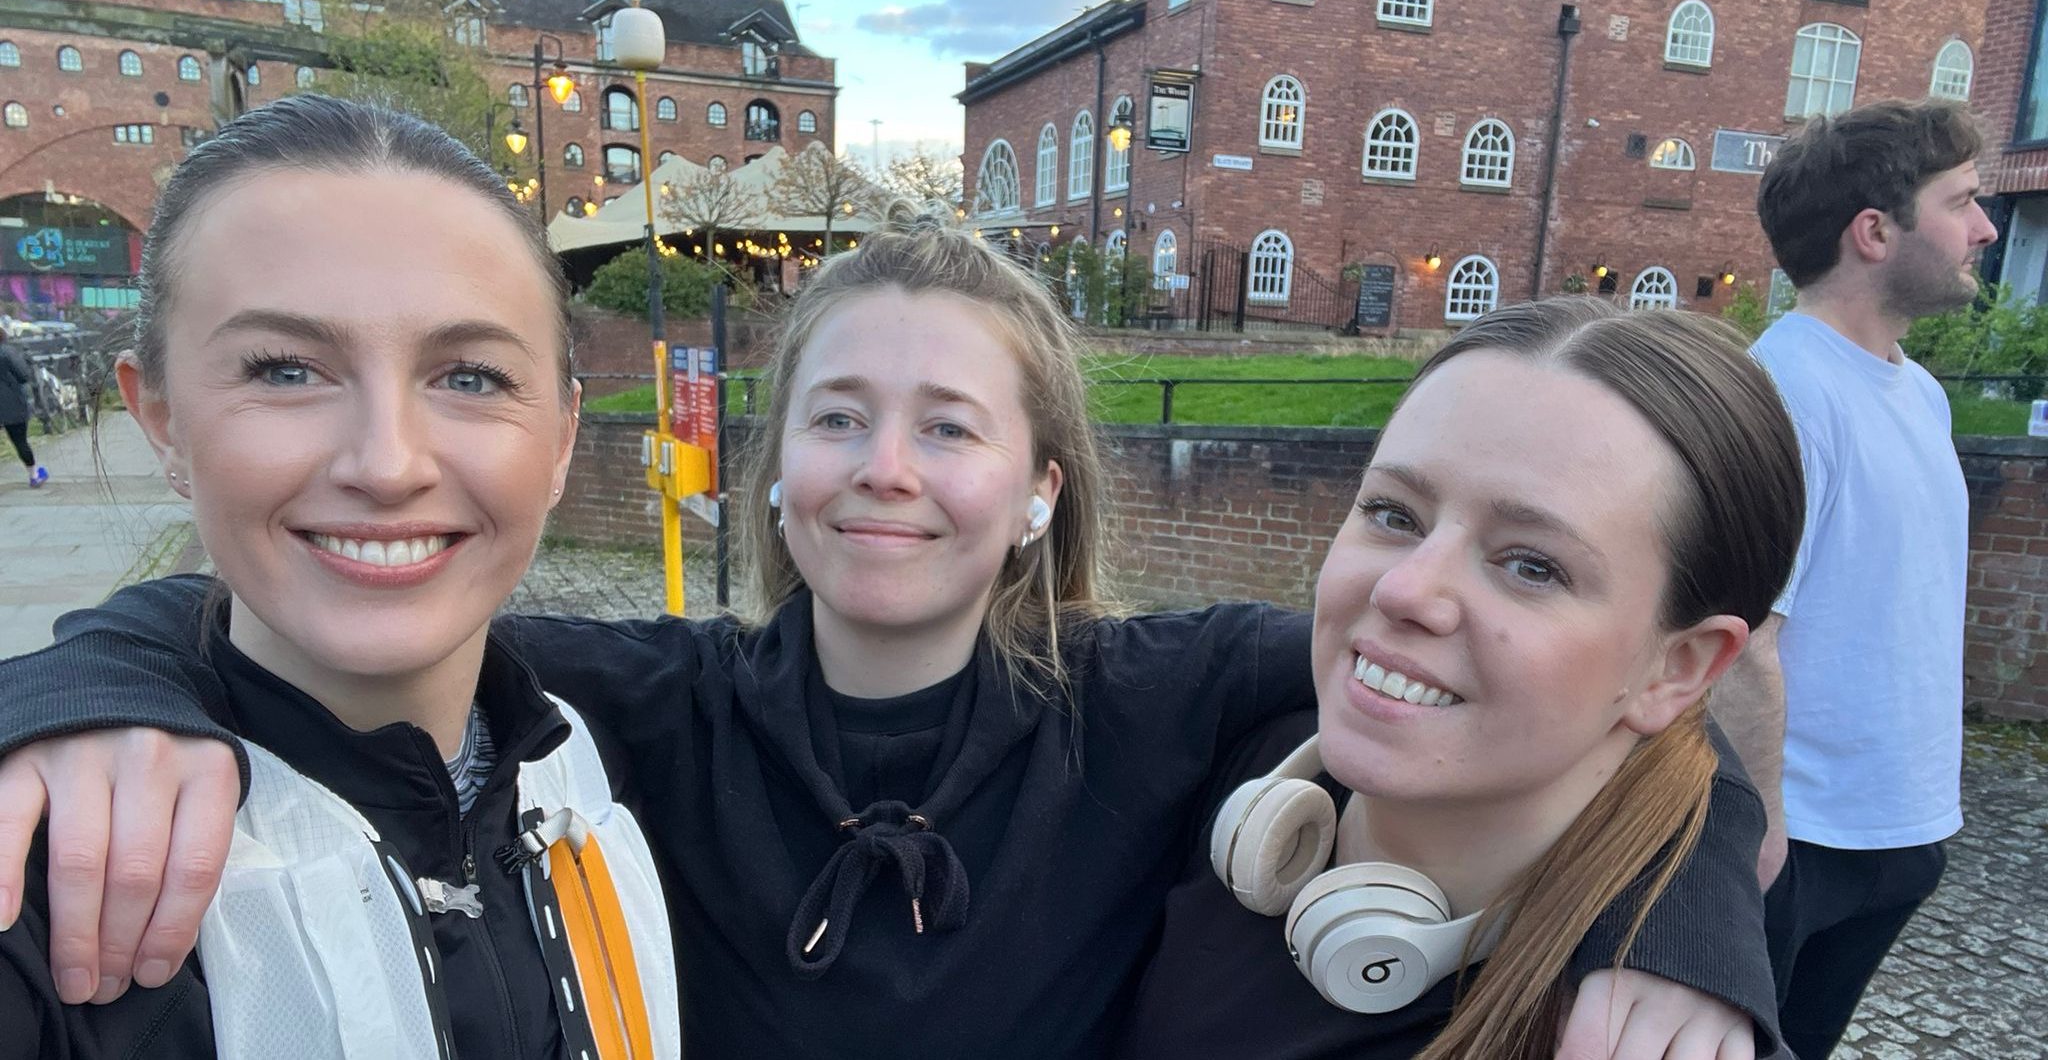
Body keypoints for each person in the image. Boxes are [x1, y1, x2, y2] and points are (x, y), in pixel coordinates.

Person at [1, 212, 1774, 1057]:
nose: (884, 473)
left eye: (949, 428)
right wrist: (91, 687)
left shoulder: (1167, 700)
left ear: (1037, 492)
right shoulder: (640, 705)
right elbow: (344, 607)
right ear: (772, 476)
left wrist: (1692, 934)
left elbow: (1640, 711)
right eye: (838, 419)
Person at [0, 93, 679, 1058]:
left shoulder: (629, 744)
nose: (388, 462)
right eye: (285, 370)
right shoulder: (54, 885)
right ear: (159, 417)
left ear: (563, 436)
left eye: (470, 376)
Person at [1113, 299, 1799, 1060]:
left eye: (1531, 565)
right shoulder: (1233, 741)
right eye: (1394, 514)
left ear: (1679, 668)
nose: (1405, 590)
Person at [1716, 97, 1997, 1059]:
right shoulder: (1788, 390)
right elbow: (1746, 636)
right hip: (1802, 842)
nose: (1985, 227)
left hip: (1901, 827)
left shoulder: (1915, 390)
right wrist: (1762, 833)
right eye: (1961, 201)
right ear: (1873, 231)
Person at [0, 323, 47, 488]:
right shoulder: (6, 352)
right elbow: (23, 375)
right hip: (10, 403)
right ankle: (34, 475)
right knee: (20, 441)